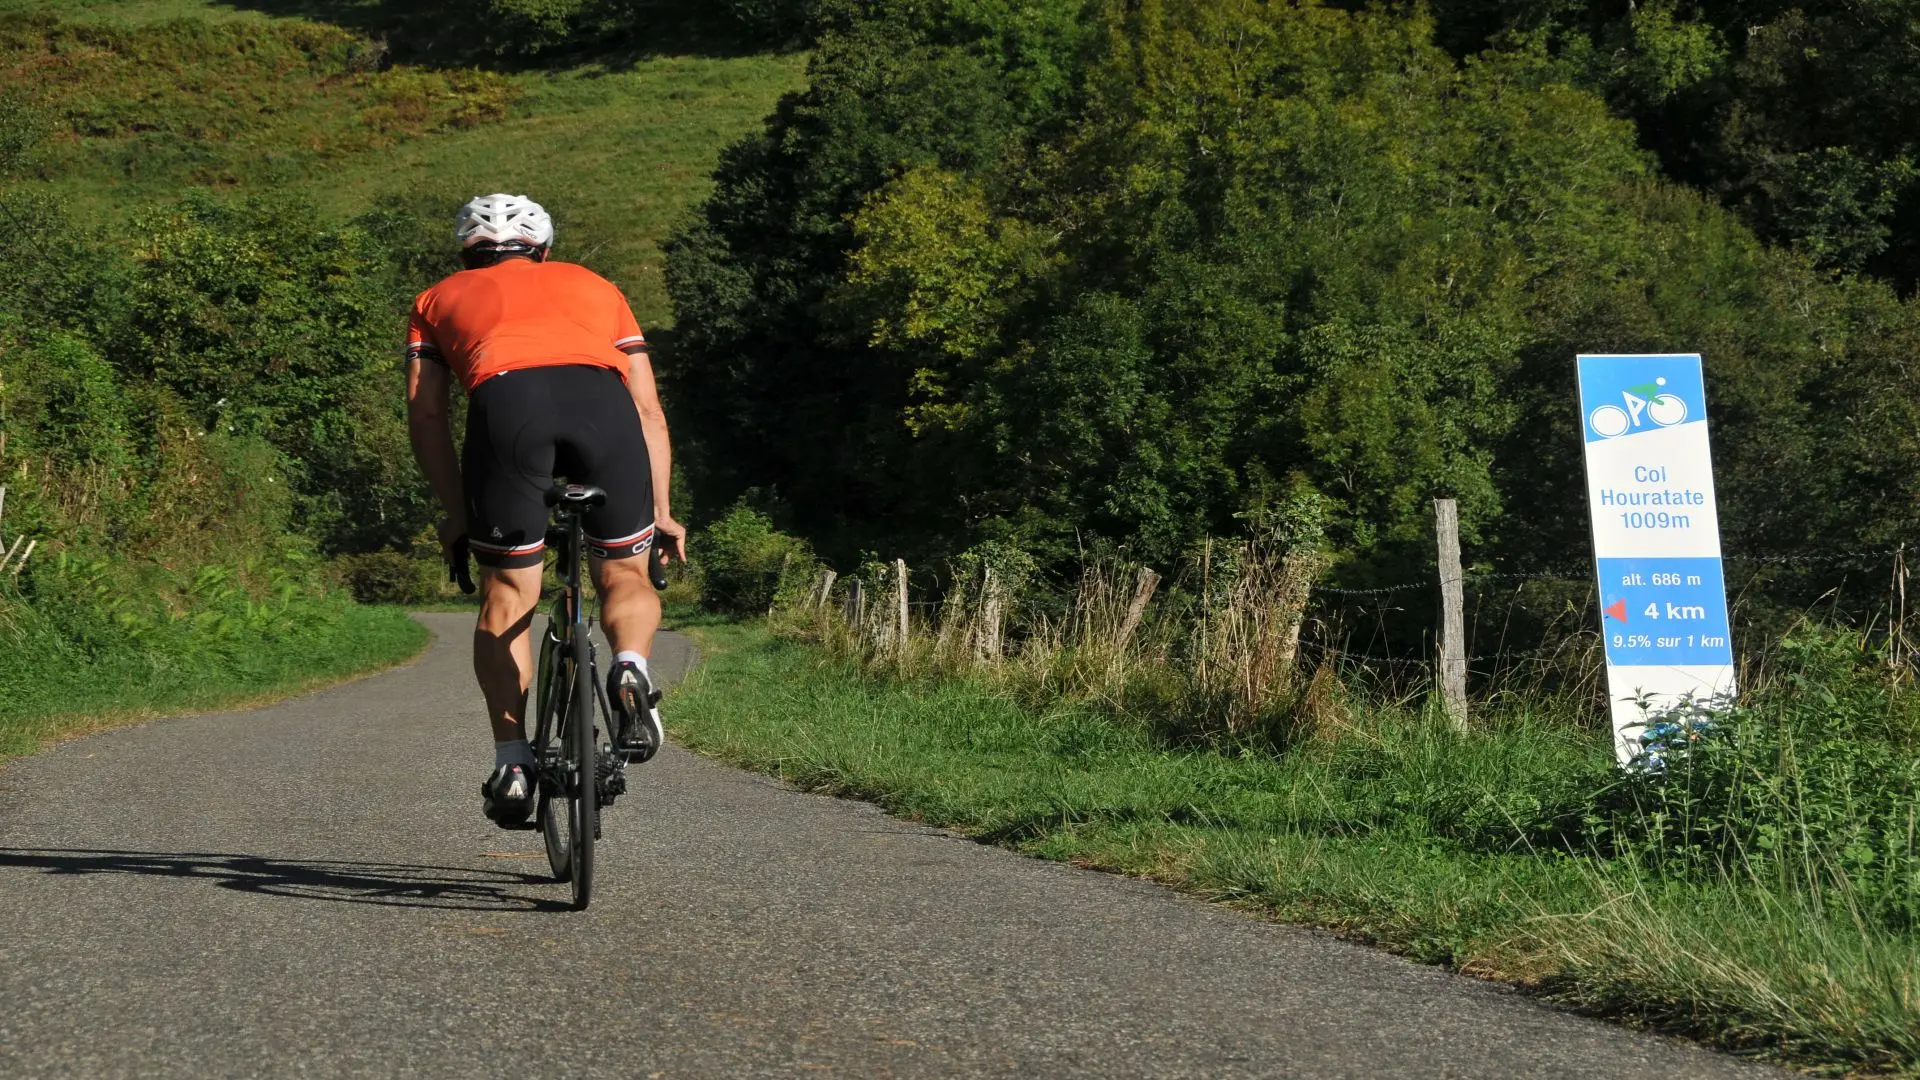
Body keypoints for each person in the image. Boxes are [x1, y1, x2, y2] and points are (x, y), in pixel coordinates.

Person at [403, 193, 687, 828]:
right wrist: (663, 510)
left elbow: (425, 415)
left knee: (507, 593)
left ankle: (511, 762)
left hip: (507, 411)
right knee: (624, 574)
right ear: (543, 249)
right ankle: (632, 667)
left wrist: (457, 512)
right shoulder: (596, 285)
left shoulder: (435, 299)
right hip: (602, 407)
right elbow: (648, 410)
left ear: (467, 253)